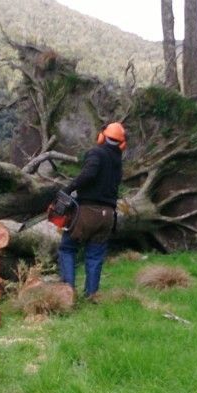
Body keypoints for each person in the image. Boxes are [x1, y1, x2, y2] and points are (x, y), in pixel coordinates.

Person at [58, 122, 125, 300]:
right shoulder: (117, 161)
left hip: (88, 211)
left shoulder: (97, 153)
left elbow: (88, 174)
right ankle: (91, 294)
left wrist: (67, 189)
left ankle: (67, 292)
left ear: (102, 136)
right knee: (95, 255)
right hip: (109, 215)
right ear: (121, 143)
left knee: (67, 248)